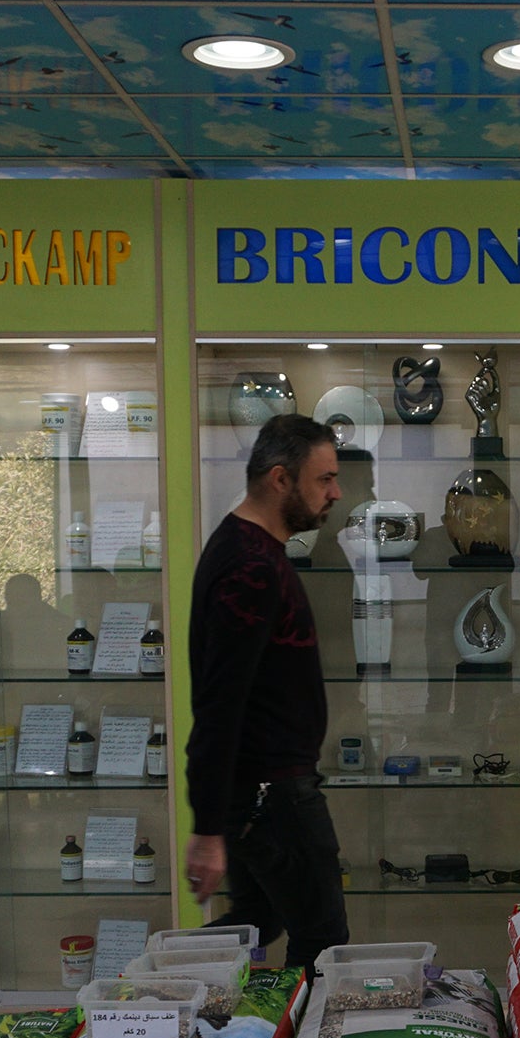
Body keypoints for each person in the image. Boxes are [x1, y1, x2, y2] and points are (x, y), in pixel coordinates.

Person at [183, 413, 348, 971]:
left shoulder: (253, 550)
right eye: (324, 479)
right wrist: (208, 829)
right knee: (322, 939)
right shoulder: (250, 567)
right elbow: (218, 702)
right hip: (271, 794)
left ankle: (176, 999)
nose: (336, 492)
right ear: (281, 479)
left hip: (261, 790)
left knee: (260, 922)